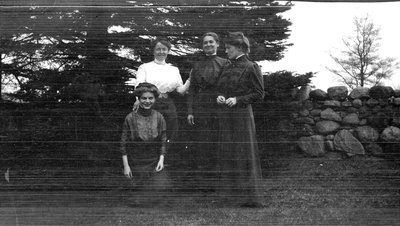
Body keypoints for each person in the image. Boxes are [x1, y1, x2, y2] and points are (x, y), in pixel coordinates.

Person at [216, 32, 265, 207]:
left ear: (239, 48)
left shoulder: (252, 67)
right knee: (228, 152)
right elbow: (220, 88)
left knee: (244, 153)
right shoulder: (227, 67)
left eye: (228, 48)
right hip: (226, 115)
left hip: (242, 115)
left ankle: (249, 198)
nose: (226, 50)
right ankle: (231, 197)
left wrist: (238, 100)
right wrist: (220, 96)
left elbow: (259, 94)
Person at [186, 32, 228, 189]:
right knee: (203, 144)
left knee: (219, 143)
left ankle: (219, 182)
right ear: (202, 46)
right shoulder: (197, 65)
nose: (208, 45)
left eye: (211, 42)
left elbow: (230, 86)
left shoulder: (225, 63)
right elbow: (192, 90)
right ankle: (203, 184)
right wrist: (190, 111)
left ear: (217, 44)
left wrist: (223, 96)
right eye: (205, 43)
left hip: (219, 109)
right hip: (201, 109)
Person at [120, 82, 171, 206]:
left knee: (160, 194)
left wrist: (161, 160)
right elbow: (123, 144)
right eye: (144, 98)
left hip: (153, 160)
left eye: (150, 98)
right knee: (136, 200)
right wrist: (126, 166)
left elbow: (163, 140)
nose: (147, 101)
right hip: (136, 161)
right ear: (138, 99)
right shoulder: (130, 118)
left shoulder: (159, 117)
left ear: (154, 99)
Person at [133, 37, 190, 145]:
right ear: (153, 51)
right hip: (150, 103)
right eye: (158, 49)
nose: (161, 52)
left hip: (168, 104)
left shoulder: (173, 69)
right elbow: (138, 86)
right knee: (150, 132)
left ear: (168, 51)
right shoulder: (145, 67)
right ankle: (151, 159)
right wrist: (138, 100)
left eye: (164, 49)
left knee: (170, 131)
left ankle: (164, 158)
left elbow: (180, 90)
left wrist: (190, 80)